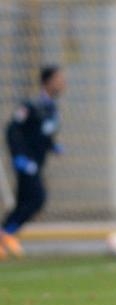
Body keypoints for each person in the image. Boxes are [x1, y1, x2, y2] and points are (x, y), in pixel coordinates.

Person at [0, 65, 66, 259]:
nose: (63, 82)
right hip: (26, 163)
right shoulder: (32, 105)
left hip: (37, 163)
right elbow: (13, 129)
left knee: (23, 203)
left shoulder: (52, 108)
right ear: (48, 81)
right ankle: (6, 234)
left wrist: (53, 146)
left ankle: (5, 236)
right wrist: (18, 156)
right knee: (37, 198)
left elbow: (43, 134)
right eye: (59, 78)